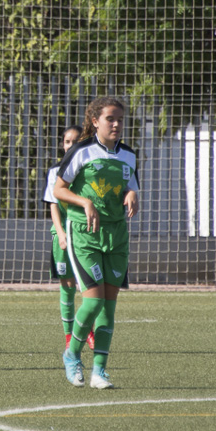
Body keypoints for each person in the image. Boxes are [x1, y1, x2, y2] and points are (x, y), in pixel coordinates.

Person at [53, 98, 139, 390]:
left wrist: (131, 194)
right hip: (85, 235)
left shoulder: (128, 155)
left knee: (109, 308)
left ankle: (99, 371)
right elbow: (59, 189)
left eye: (120, 119)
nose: (116, 124)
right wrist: (84, 201)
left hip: (116, 236)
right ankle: (72, 355)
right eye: (110, 119)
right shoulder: (81, 151)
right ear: (95, 121)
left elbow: (130, 184)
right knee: (92, 302)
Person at [43, 125, 94, 351]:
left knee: (88, 286)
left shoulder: (88, 171)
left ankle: (87, 331)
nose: (71, 146)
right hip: (63, 234)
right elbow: (53, 206)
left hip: (84, 234)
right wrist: (61, 234)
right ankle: (67, 336)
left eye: (76, 141)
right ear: (62, 145)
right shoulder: (55, 172)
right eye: (67, 142)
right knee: (68, 286)